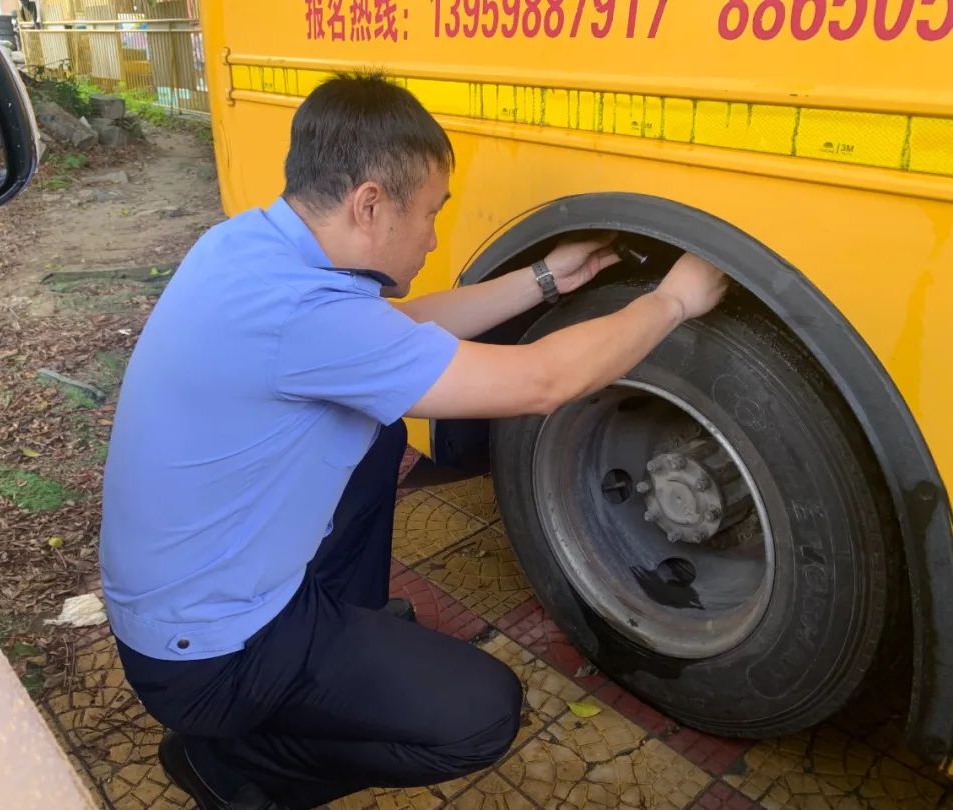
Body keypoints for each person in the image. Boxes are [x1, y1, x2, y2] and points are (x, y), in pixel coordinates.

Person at [98, 71, 727, 810]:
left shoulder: (247, 247)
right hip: (214, 660)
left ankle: (337, 636)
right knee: (481, 713)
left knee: (378, 424)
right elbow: (541, 382)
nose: (433, 238)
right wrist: (675, 299)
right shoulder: (302, 316)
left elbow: (395, 334)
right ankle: (239, 769)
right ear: (369, 203)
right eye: (430, 214)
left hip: (176, 613)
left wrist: (546, 281)